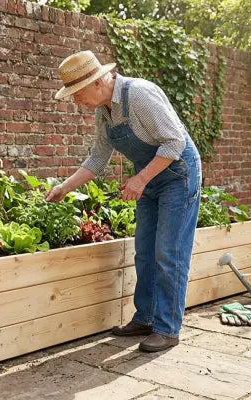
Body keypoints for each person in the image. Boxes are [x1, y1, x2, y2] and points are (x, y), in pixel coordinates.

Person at [45, 50, 202, 352]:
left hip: (178, 176)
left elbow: (175, 142)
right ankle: (145, 317)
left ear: (97, 82)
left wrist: (140, 179)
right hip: (149, 180)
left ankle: (168, 329)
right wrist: (64, 187)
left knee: (169, 253)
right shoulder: (102, 111)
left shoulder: (139, 94)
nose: (76, 101)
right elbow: (97, 158)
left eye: (77, 94)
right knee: (144, 251)